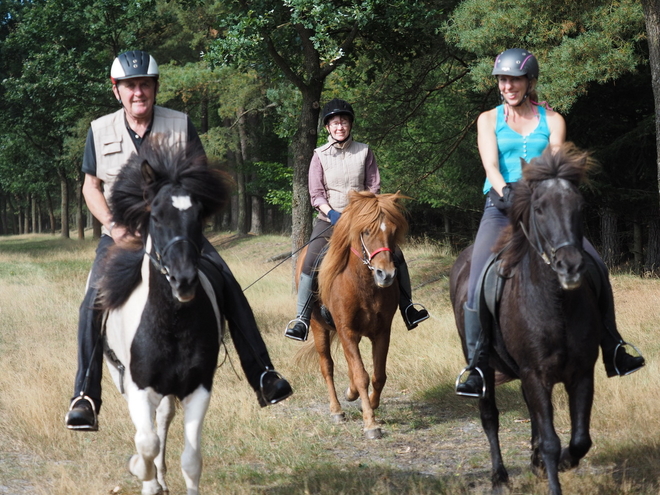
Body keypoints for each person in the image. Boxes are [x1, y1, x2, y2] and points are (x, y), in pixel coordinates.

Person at [65, 50, 292, 431]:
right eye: (130, 86)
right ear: (116, 90)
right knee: (93, 299)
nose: (138, 92)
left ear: (155, 87)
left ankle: (264, 375)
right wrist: (111, 224)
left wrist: (188, 224)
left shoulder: (180, 124)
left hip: (177, 234)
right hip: (123, 234)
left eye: (145, 85)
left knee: (226, 280)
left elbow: (200, 184)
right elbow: (91, 186)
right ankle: (85, 397)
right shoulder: (99, 128)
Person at [454, 48, 645, 398]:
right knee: (478, 275)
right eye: (503, 79)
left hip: (546, 209)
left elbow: (555, 167)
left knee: (595, 265)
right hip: (501, 207)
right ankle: (477, 363)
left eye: (514, 79)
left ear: (529, 82)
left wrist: (536, 196)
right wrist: (508, 193)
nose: (508, 85)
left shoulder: (552, 120)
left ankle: (614, 347)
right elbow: (491, 166)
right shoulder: (487, 119)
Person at [284, 98, 429, 342]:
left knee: (397, 255)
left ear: (350, 124)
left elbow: (373, 186)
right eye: (335, 123)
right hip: (329, 219)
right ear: (328, 127)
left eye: (344, 122)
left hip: (363, 220)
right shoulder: (319, 156)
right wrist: (332, 213)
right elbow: (316, 194)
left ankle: (408, 308)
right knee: (311, 258)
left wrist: (360, 214)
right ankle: (301, 319)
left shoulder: (364, 151)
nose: (340, 126)